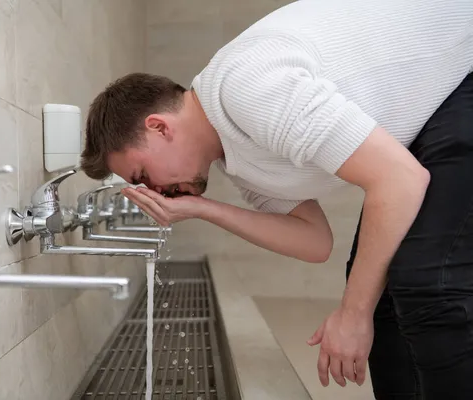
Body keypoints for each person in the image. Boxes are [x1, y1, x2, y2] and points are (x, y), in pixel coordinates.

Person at [80, 0, 473, 398]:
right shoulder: (238, 162)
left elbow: (399, 181)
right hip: (438, 105)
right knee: (382, 291)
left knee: (427, 282)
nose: (153, 192)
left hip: (465, 63)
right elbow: (315, 242)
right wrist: (202, 208)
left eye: (142, 176)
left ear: (159, 127)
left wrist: (352, 316)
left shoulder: (247, 89)